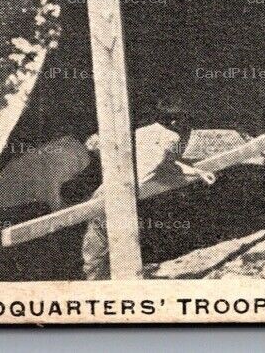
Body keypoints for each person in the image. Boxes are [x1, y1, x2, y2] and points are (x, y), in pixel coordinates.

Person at [81, 95, 217, 280]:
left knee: (96, 249)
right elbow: (166, 165)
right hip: (123, 197)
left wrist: (196, 171)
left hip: (105, 191)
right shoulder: (171, 138)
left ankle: (93, 283)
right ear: (175, 121)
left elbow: (160, 162)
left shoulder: (143, 132)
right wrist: (197, 172)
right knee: (118, 248)